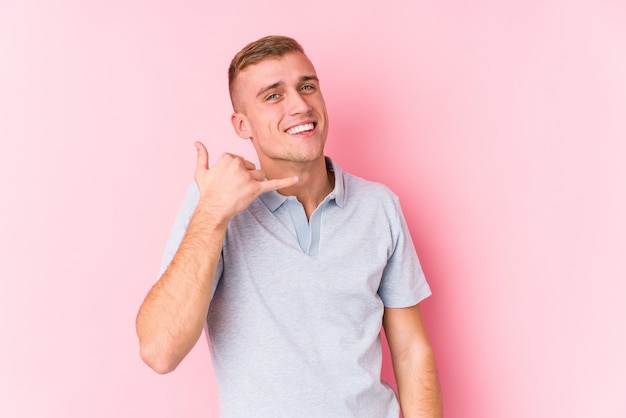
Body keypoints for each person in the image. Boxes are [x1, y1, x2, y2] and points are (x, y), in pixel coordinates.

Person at [136, 35, 442, 417]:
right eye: (273, 95)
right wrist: (213, 212)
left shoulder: (379, 206)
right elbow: (159, 351)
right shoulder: (212, 206)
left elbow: (412, 351)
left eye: (307, 86)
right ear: (242, 125)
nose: (300, 105)